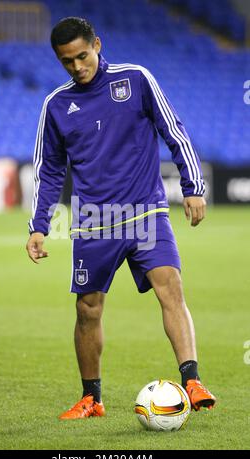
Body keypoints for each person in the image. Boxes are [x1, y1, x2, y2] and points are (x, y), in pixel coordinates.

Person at [26, 17, 216, 419]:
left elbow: (174, 131)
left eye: (82, 55)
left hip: (145, 210)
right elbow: (50, 171)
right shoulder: (56, 105)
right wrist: (39, 226)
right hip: (94, 221)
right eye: (67, 62)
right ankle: (91, 398)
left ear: (97, 44)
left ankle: (193, 381)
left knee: (171, 288)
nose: (77, 67)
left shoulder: (136, 79)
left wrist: (193, 185)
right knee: (88, 309)